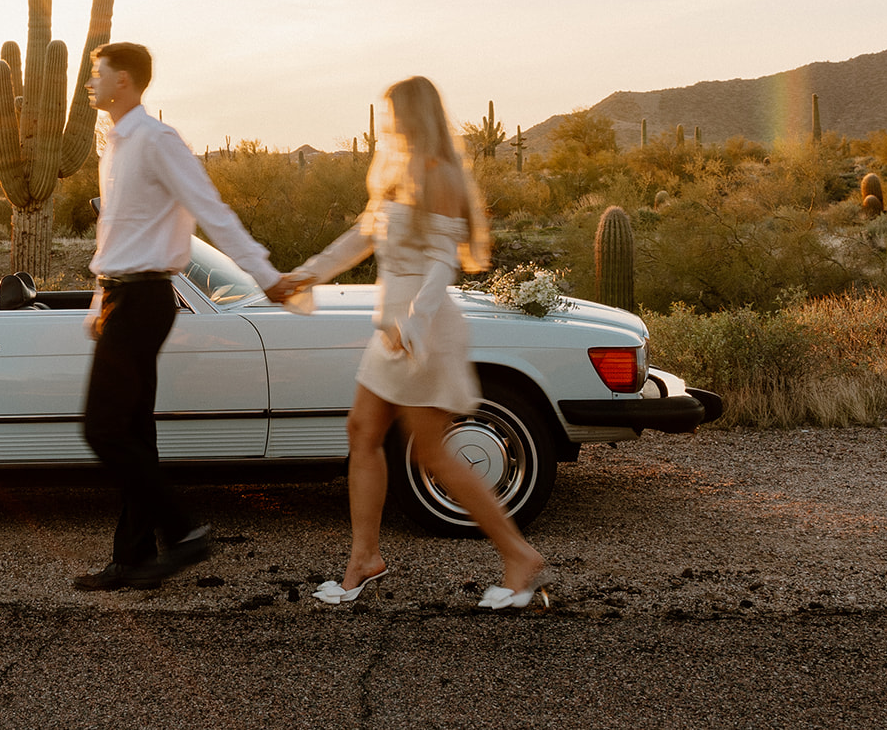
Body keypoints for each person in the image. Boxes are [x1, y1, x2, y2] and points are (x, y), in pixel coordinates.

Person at [281, 76, 545, 609]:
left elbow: (442, 262)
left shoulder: (439, 173)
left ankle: (520, 557)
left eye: (395, 114)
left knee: (432, 455)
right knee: (363, 430)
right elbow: (360, 237)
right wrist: (305, 275)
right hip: (392, 327)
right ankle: (365, 558)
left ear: (416, 115)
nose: (388, 125)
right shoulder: (398, 172)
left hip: (422, 330)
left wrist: (417, 325)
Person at [74, 42, 294, 591]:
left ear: (124, 80)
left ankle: (183, 530)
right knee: (132, 431)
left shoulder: (156, 140)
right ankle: (133, 558)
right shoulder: (115, 145)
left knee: (101, 428)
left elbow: (209, 208)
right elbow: (118, 232)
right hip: (123, 299)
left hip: (147, 301)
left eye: (98, 74)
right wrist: (99, 301)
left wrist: (265, 275)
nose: (89, 82)